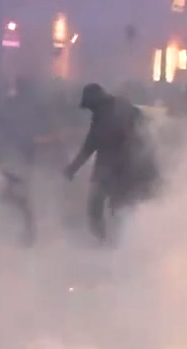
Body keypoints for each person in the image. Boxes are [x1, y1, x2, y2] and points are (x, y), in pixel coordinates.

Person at [65, 82, 158, 243]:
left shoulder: (109, 114)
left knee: (112, 206)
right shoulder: (119, 109)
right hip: (119, 168)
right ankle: (114, 240)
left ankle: (116, 241)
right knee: (113, 206)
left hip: (122, 169)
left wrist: (73, 169)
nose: (90, 110)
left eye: (90, 106)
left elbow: (90, 145)